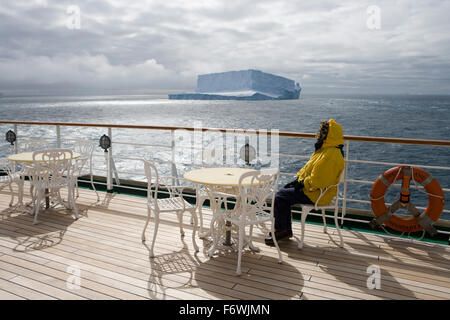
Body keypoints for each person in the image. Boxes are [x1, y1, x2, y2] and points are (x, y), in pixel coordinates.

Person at [265, 118, 345, 245]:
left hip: (318, 194)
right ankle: (284, 230)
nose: (318, 133)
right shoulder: (326, 150)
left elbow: (319, 180)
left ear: (327, 135)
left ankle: (282, 230)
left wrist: (302, 184)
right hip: (315, 190)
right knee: (283, 194)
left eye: (321, 131)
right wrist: (297, 180)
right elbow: (309, 169)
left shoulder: (330, 154)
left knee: (280, 196)